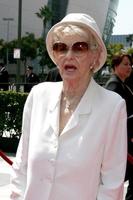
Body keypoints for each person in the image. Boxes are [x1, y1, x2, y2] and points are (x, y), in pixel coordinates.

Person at [10, 13, 127, 200]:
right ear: (55, 56)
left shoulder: (112, 107)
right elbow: (21, 163)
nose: (69, 56)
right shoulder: (38, 95)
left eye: (79, 47)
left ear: (95, 57)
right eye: (61, 47)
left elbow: (112, 185)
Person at [105, 54, 133, 200]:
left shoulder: (123, 84)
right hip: (120, 141)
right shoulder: (114, 85)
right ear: (116, 66)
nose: (129, 67)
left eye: (130, 64)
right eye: (126, 64)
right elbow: (110, 116)